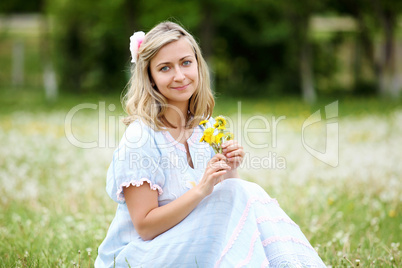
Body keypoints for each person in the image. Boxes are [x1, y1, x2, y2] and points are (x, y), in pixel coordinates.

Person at [95, 21, 325, 267]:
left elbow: (233, 212)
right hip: (140, 254)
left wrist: (230, 166)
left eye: (186, 62)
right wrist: (201, 190)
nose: (180, 76)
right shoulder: (140, 137)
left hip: (186, 243)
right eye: (165, 68)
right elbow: (146, 227)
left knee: (245, 191)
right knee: (244, 191)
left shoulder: (207, 127)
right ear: (150, 77)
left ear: (198, 65)